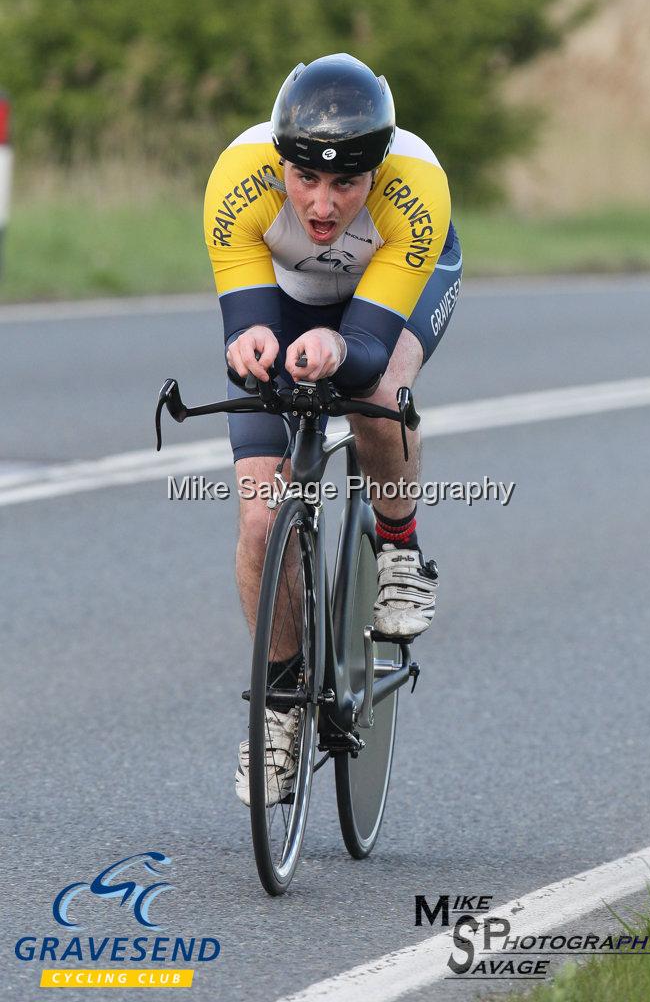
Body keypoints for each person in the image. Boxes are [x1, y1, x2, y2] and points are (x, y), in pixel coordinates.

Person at [204, 53, 462, 806]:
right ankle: (279, 708)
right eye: (305, 178)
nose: (320, 203)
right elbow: (248, 323)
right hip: (286, 296)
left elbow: (370, 349)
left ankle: (399, 546)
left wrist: (340, 350)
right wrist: (251, 349)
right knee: (259, 518)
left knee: (376, 389)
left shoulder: (416, 186)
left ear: (375, 173)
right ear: (279, 160)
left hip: (390, 294)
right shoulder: (237, 178)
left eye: (345, 182)